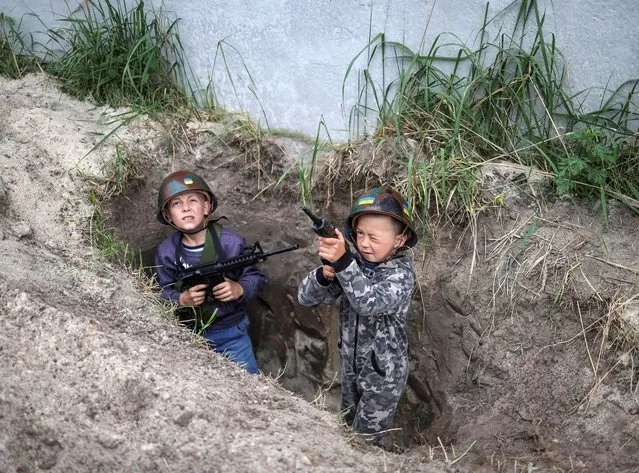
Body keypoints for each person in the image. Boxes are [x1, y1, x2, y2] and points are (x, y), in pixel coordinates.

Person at [297, 187, 418, 448]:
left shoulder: (401, 274)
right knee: (347, 431)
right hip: (351, 367)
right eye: (360, 234)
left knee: (365, 444)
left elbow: (368, 302)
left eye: (374, 237)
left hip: (383, 375)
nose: (364, 243)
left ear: (400, 239)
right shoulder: (355, 264)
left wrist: (343, 264)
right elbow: (307, 299)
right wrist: (325, 274)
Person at [154, 170, 267, 374]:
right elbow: (161, 292)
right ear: (168, 215)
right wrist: (181, 300)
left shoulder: (231, 244)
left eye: (193, 200)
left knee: (249, 385)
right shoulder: (167, 252)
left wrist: (239, 288)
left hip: (232, 335)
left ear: (206, 207)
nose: (186, 208)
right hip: (187, 336)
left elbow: (257, 278)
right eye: (176, 204)